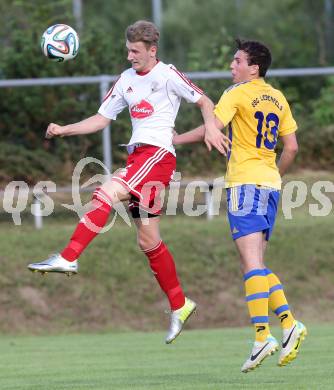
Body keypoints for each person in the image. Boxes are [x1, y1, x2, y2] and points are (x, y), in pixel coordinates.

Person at [27, 20, 230, 344]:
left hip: (157, 156)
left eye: (135, 51)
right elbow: (102, 119)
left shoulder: (167, 74)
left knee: (106, 192)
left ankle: (68, 257)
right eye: (128, 49)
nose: (129, 56)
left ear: (152, 50)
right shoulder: (125, 80)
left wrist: (212, 127)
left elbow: (205, 101)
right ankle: (180, 304)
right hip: (140, 159)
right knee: (148, 241)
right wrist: (65, 129)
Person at [173, 39, 306, 371]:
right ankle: (289, 324)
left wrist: (173, 139)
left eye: (237, 61)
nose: (231, 66)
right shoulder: (277, 97)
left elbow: (212, 127)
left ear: (253, 68)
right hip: (270, 185)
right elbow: (291, 147)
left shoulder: (237, 94)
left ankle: (263, 337)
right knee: (257, 263)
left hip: (245, 184)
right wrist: (275, 173)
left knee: (251, 265)